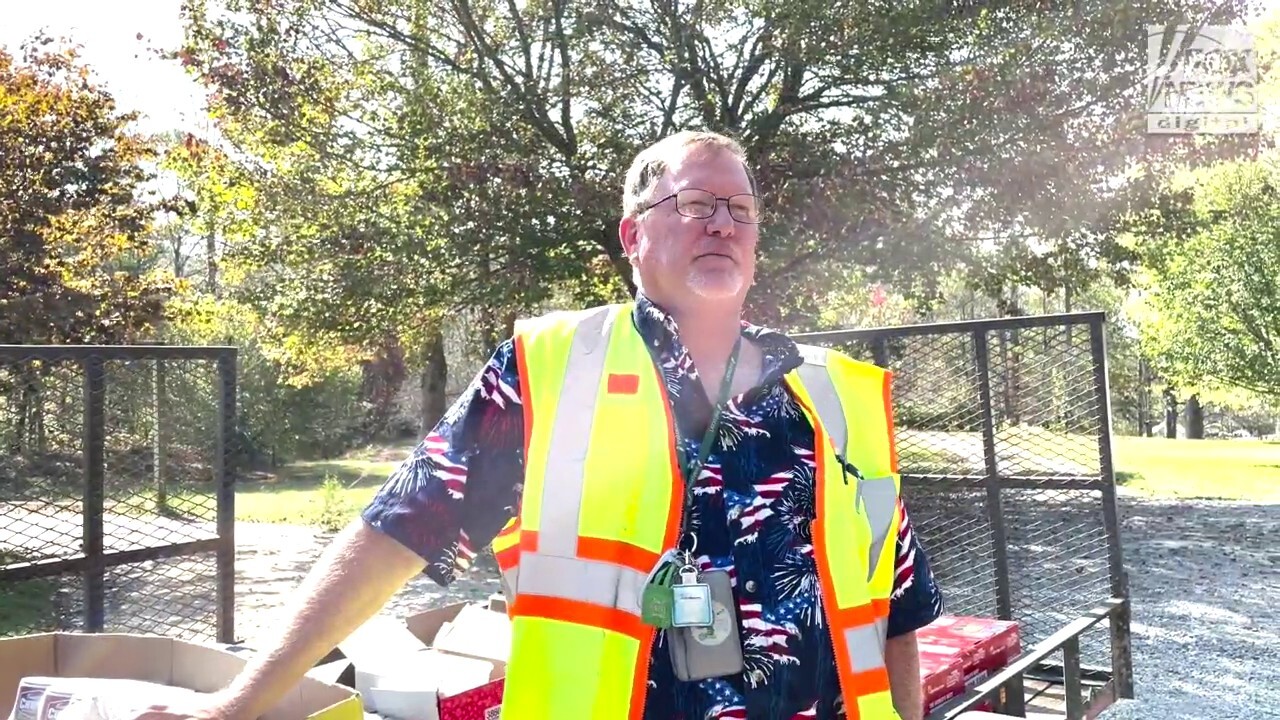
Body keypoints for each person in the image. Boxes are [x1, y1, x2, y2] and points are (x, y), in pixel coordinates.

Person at [146, 130, 943, 720]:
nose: (722, 225)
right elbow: (401, 529)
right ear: (635, 235)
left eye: (740, 210)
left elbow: (893, 612)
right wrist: (234, 705)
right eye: (696, 205)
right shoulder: (552, 371)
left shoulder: (832, 395)